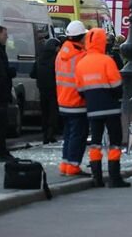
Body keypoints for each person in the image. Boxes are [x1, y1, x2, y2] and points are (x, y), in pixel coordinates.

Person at [75, 28, 131, 188]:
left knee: (95, 143)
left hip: (93, 109)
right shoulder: (107, 61)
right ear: (101, 42)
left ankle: (97, 177)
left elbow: (79, 89)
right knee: (114, 143)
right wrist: (116, 97)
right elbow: (116, 85)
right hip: (111, 108)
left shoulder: (82, 63)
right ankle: (114, 178)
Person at [55, 20, 89, 175]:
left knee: (68, 134)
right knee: (78, 135)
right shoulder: (81, 57)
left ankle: (65, 164)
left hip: (63, 100)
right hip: (77, 102)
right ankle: (73, 165)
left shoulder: (61, 54)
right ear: (81, 37)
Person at [30, 36, 61, 144]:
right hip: (53, 89)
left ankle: (45, 135)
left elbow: (32, 74)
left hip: (42, 90)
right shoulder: (56, 59)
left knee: (45, 112)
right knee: (53, 113)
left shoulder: (39, 59)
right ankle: (50, 134)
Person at [0, 25, 16, 161]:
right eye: (5, 34)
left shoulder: (1, 50)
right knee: (1, 125)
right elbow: (1, 75)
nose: (7, 37)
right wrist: (9, 73)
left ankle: (3, 151)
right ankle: (2, 153)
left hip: (2, 94)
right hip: (0, 95)